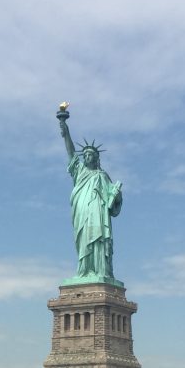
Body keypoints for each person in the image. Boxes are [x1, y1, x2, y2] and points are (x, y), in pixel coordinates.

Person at [58, 106, 123, 282]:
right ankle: (84, 271)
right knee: (84, 239)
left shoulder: (102, 176)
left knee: (99, 240)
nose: (87, 157)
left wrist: (117, 196)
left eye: (90, 155)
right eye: (85, 155)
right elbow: (71, 152)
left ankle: (101, 271)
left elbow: (113, 202)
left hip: (98, 213)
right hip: (82, 211)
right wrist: (65, 129)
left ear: (96, 158)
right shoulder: (79, 171)